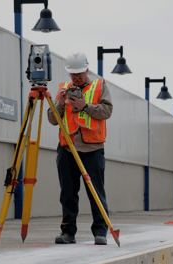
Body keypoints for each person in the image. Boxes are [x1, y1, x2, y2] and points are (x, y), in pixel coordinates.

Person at [47, 52, 113, 245]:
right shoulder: (64, 90)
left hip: (92, 149)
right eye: (72, 75)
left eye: (79, 74)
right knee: (67, 194)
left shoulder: (100, 86)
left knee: (96, 193)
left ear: (86, 70)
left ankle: (100, 232)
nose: (76, 78)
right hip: (67, 149)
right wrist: (60, 102)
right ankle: (68, 232)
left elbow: (107, 111)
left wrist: (85, 107)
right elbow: (52, 119)